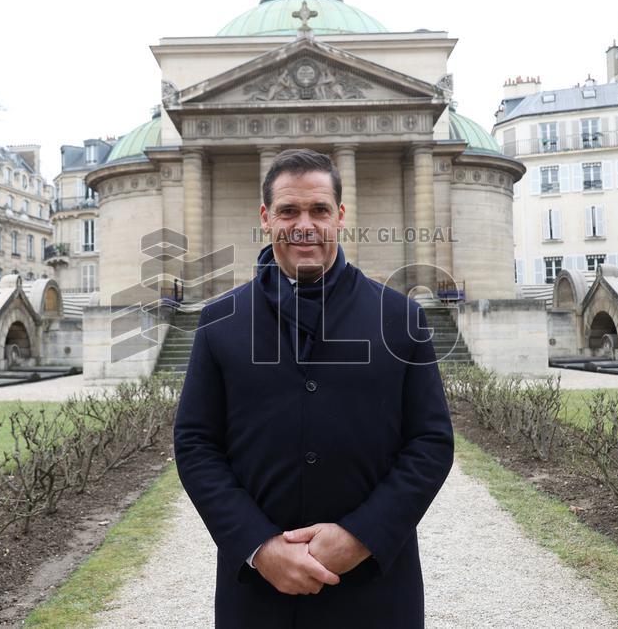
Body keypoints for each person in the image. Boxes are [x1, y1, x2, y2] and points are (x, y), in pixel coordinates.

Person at [173, 148, 454, 628]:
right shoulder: (220, 321)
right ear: (266, 218)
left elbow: (430, 442)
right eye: (288, 210)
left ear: (340, 217)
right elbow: (196, 444)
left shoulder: (400, 317)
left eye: (319, 210)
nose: (305, 224)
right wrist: (260, 548)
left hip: (374, 588)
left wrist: (361, 536)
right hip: (259, 594)